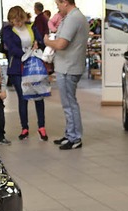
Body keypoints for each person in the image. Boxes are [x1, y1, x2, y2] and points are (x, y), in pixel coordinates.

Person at [44, 0, 88, 150]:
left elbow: (62, 44)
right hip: (67, 66)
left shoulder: (74, 18)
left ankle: (75, 137)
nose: (57, 7)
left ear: (65, 2)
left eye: (58, 4)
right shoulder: (73, 17)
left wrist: (47, 42)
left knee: (69, 103)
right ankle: (70, 133)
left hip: (69, 67)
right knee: (68, 103)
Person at [2, 6, 48, 142]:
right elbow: (12, 48)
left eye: (19, 20)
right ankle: (25, 127)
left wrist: (37, 44)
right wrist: (26, 54)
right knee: (23, 97)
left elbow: (40, 42)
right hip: (17, 67)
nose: (18, 23)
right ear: (10, 20)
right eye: (14, 21)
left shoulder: (31, 27)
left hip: (34, 66)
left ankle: (42, 126)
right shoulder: (7, 31)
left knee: (39, 95)